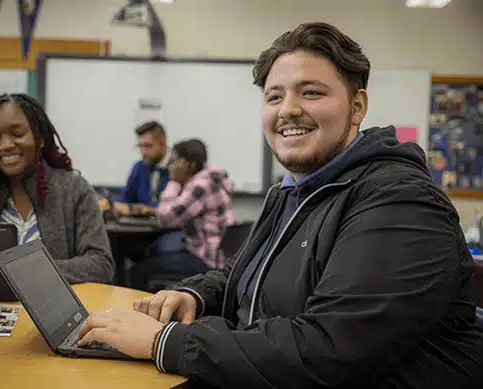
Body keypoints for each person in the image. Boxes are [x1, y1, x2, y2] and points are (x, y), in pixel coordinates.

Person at [76, 22, 483, 388]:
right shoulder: (296, 188)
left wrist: (164, 341)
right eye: (274, 97)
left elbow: (328, 348)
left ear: (357, 106)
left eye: (311, 92)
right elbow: (246, 270)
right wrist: (196, 295)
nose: (288, 109)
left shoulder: (400, 201)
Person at [0, 93, 114, 284]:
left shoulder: (73, 188)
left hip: (53, 309)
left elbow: (100, 265)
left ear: (41, 138)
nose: (5, 145)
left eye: (17, 134)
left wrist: (25, 272)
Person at [130, 138, 236, 291]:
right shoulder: (211, 179)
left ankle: (141, 313)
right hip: (217, 255)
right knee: (156, 251)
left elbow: (165, 218)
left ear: (189, 164)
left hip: (207, 261)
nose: (171, 166)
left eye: (174, 161)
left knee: (139, 270)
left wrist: (173, 183)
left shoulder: (200, 186)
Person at [102, 121, 170, 216]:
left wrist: (137, 208)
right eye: (140, 146)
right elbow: (125, 198)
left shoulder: (179, 169)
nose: (143, 152)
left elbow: (175, 206)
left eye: (148, 146)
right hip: (142, 225)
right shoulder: (139, 167)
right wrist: (112, 205)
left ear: (163, 143)